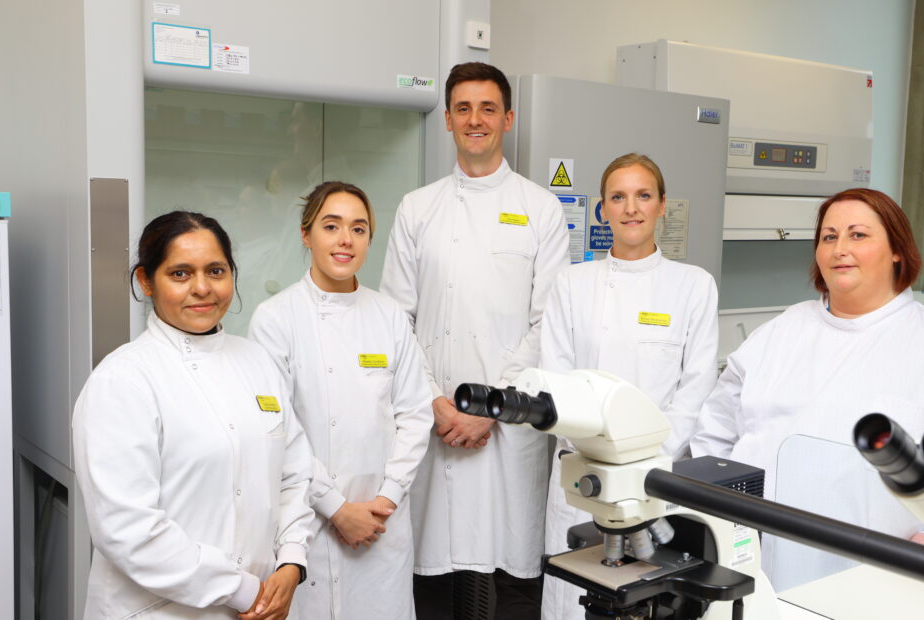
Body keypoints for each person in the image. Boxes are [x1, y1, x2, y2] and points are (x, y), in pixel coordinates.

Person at [690, 188, 924, 584]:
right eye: (829, 237)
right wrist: (720, 521)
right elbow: (714, 436)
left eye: (858, 235)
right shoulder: (776, 335)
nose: (840, 248)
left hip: (886, 574)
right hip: (756, 565)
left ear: (897, 249)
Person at [380, 61, 570, 618]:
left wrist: (492, 408)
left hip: (508, 427)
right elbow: (397, 320)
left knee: (512, 570)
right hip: (435, 418)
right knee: (433, 571)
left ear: (507, 118)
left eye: (488, 108)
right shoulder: (419, 208)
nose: (475, 120)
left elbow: (547, 323)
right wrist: (436, 404)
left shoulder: (541, 208)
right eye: (463, 109)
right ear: (447, 120)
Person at [73, 211, 314, 620]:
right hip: (159, 610)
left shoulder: (257, 363)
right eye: (180, 274)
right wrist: (241, 589)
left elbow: (294, 474)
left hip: (262, 604)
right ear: (146, 281)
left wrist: (292, 561)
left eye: (215, 271)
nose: (202, 288)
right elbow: (129, 529)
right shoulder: (122, 381)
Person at [538, 153, 719, 620]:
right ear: (602, 209)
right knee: (573, 600)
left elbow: (696, 388)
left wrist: (646, 465)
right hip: (581, 474)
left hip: (656, 483)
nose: (631, 208)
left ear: (662, 206)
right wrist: (600, 456)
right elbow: (557, 383)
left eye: (643, 196)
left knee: (647, 601)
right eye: (618, 197)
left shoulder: (693, 286)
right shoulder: (571, 284)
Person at [248, 182, 434, 620]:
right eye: (331, 226)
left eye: (359, 228)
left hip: (380, 525)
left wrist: (385, 499)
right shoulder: (275, 319)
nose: (345, 240)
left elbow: (415, 412)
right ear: (305, 233)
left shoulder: (388, 315)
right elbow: (280, 431)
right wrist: (336, 508)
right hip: (306, 521)